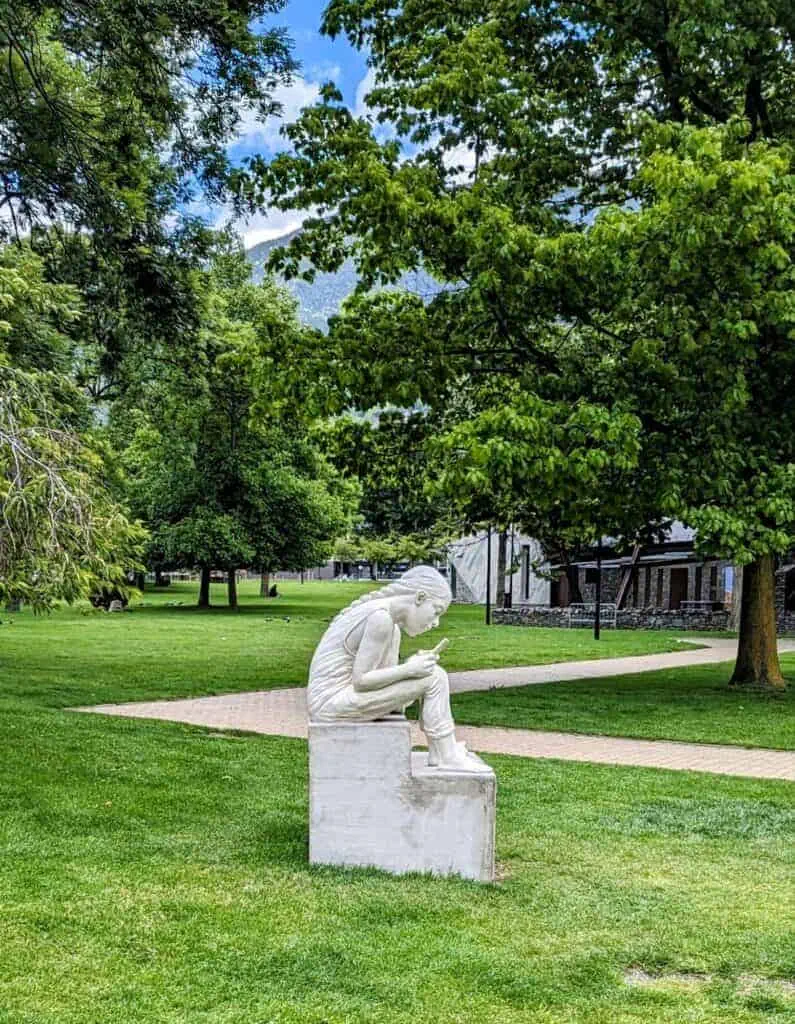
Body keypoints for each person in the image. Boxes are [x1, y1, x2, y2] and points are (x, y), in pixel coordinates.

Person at [308, 565, 483, 771]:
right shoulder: (380, 619)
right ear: (420, 597)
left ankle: (440, 753)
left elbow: (390, 693)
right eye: (436, 611)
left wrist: (413, 667)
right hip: (329, 703)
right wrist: (410, 670)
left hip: (338, 698)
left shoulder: (391, 624)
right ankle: (447, 754)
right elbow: (361, 681)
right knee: (435, 678)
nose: (436, 623)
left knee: (431, 674)